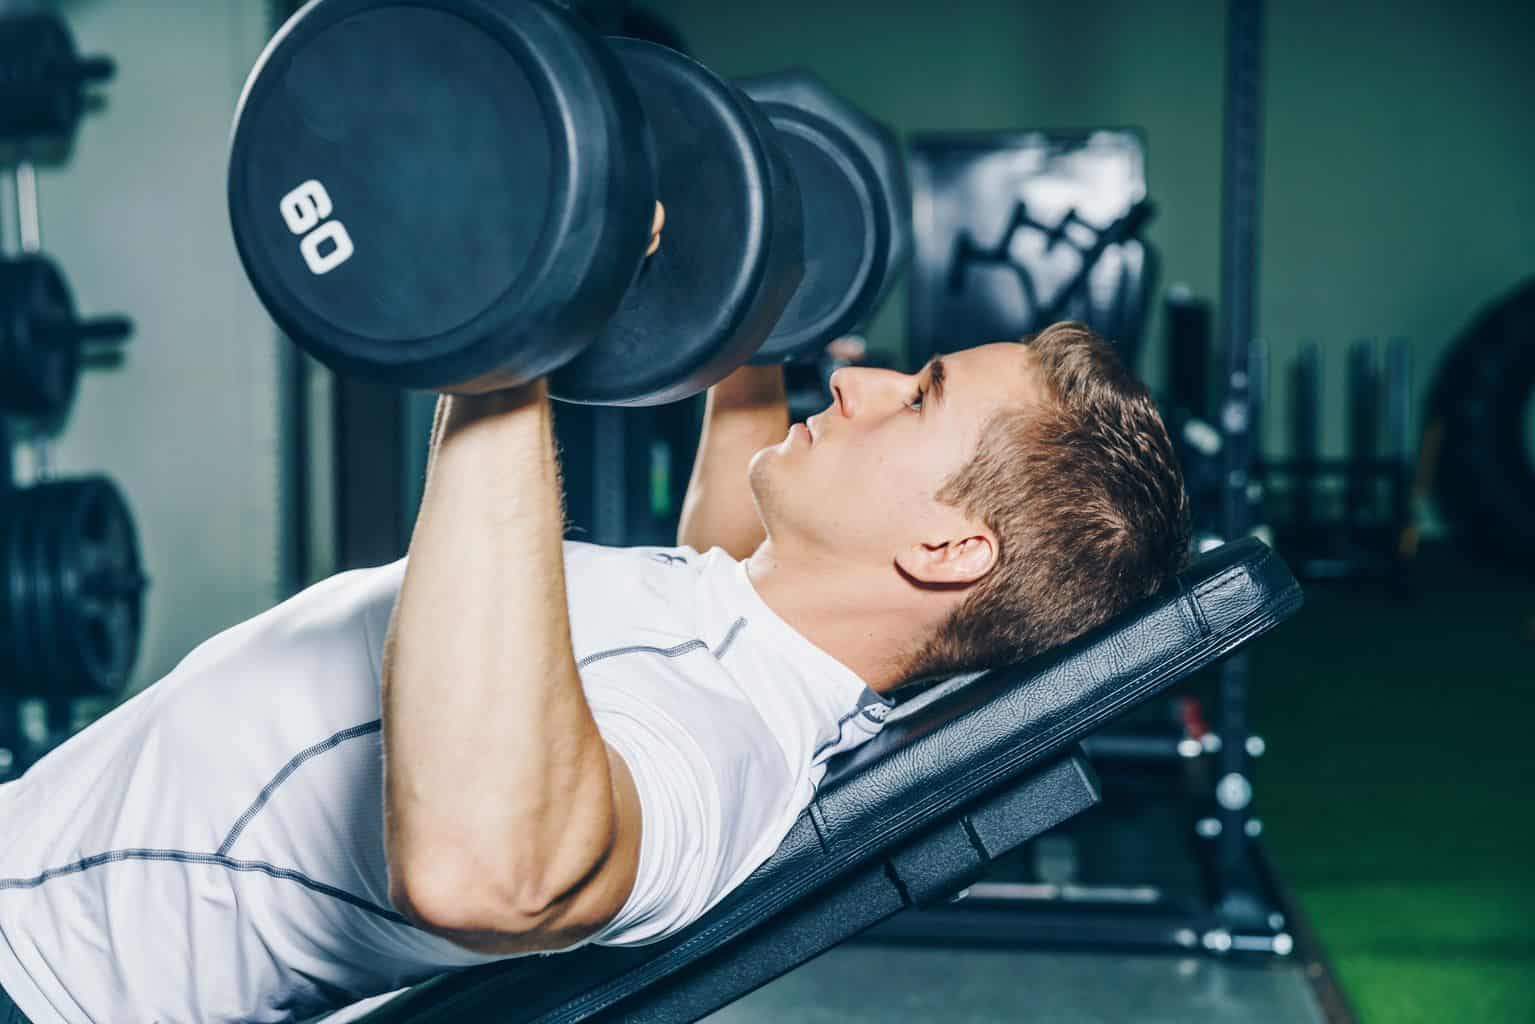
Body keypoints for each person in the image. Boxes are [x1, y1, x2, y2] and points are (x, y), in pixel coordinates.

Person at [0, 288, 1188, 1019]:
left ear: (946, 545)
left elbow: (485, 868)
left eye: (917, 399)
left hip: (44, 977)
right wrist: (749, 306)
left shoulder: (717, 743)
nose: (858, 379)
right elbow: (729, 545)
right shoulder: (767, 644)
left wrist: (508, 343)